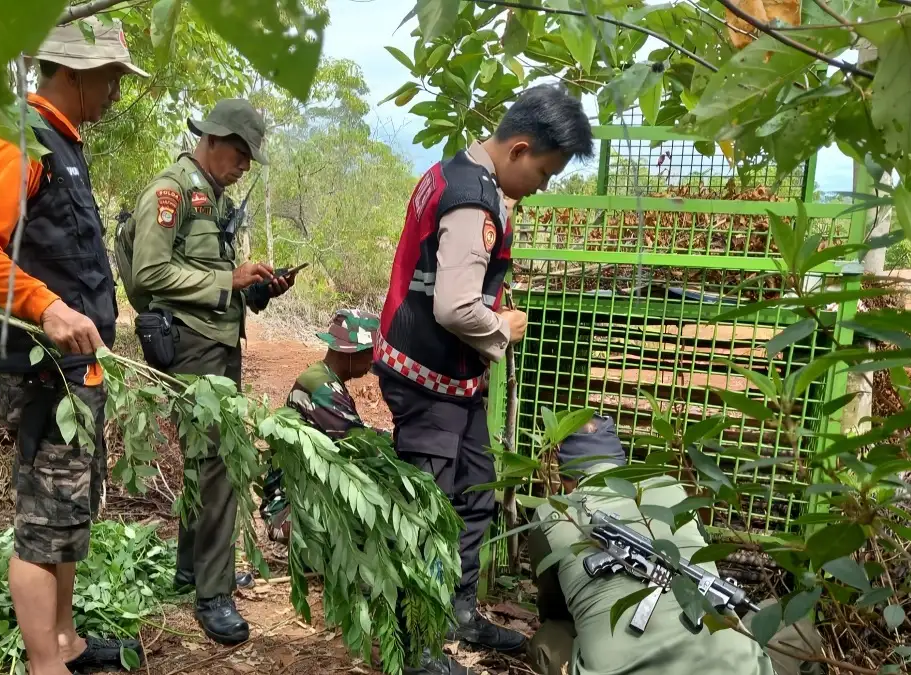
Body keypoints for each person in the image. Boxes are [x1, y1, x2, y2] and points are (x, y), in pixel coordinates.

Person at [0, 20, 147, 675]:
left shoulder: (64, 143)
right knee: (41, 525)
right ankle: (44, 663)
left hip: (75, 372)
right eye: (110, 78)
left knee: (67, 518)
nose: (114, 92)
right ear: (75, 73)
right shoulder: (18, 139)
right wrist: (47, 307)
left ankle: (68, 644)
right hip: (39, 374)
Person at [374, 84, 595, 674]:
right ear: (519, 148)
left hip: (453, 379)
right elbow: (453, 307)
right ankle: (415, 643)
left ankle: (458, 610)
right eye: (544, 172)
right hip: (427, 379)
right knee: (427, 507)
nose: (543, 185)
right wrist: (503, 327)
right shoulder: (473, 201)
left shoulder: (462, 175)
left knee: (474, 494)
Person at [115, 98, 296, 647]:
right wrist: (228, 282)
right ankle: (213, 596)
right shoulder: (169, 192)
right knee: (217, 466)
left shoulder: (212, 198)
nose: (243, 167)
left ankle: (193, 570)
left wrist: (257, 288)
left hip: (217, 345)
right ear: (212, 140)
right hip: (190, 349)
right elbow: (150, 272)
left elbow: (212, 273)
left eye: (248, 159)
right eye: (239, 154)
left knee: (207, 463)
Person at [525, 416, 824, 675]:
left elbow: (555, 609)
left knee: (548, 639)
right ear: (619, 462)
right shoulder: (670, 488)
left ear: (565, 477)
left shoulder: (551, 515)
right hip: (734, 666)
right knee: (787, 616)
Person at [260, 308, 388, 544]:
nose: (372, 361)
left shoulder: (323, 378)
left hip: (299, 496)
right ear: (351, 352)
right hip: (287, 509)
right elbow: (362, 447)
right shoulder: (323, 389)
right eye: (370, 353)